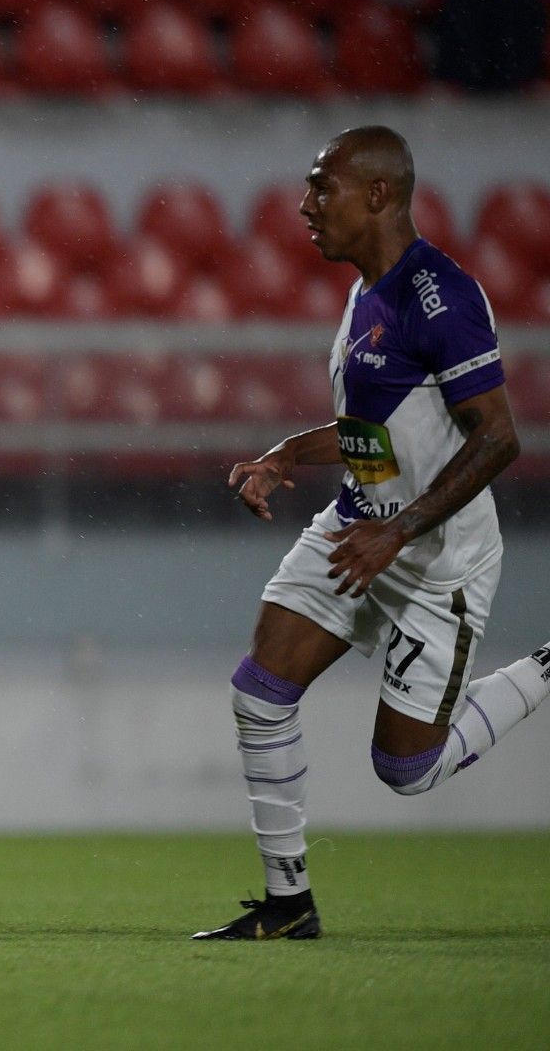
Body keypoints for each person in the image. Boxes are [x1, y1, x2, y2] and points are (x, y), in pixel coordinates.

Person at [198, 126, 547, 940]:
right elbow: (380, 432)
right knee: (259, 691)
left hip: (437, 561)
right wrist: (291, 453)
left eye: (323, 188)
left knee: (406, 771)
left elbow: (498, 438)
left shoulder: (442, 298)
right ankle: (289, 907)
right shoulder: (365, 292)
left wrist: (401, 537)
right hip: (359, 524)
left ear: (379, 195)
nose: (304, 205)